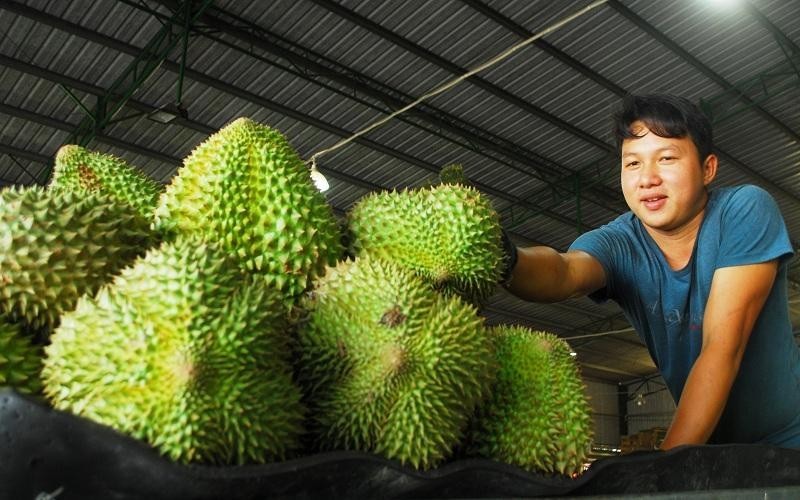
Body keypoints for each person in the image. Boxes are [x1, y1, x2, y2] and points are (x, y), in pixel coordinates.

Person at [501, 94, 800, 449]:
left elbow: (723, 346)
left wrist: (663, 468)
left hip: (790, 438)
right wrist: (505, 256)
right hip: (710, 449)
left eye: (667, 158)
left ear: (708, 168)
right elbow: (564, 273)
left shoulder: (745, 210)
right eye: (632, 164)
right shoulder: (620, 242)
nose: (648, 179)